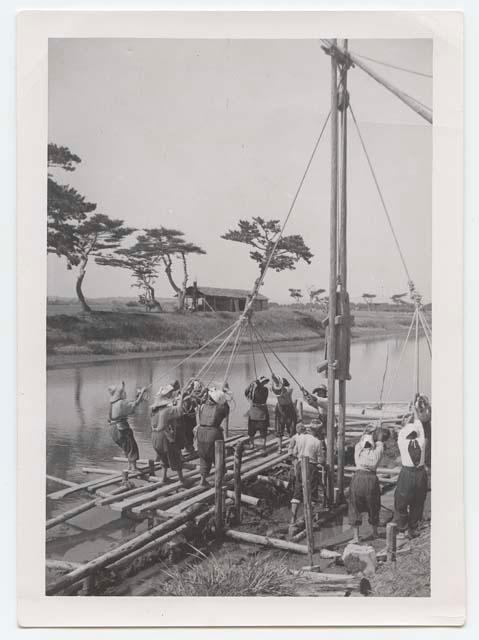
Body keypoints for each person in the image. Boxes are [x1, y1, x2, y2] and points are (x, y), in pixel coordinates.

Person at [348, 425, 387, 543]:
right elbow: (380, 442)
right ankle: (374, 532)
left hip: (358, 478)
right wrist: (378, 434)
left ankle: (356, 537)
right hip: (371, 479)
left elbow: (361, 441)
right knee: (374, 505)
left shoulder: (358, 449)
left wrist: (367, 431)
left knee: (354, 506)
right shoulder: (377, 452)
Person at [394, 409, 428, 540]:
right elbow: (420, 426)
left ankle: (402, 529)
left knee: (401, 501)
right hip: (420, 473)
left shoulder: (402, 441)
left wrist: (407, 419)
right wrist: (415, 412)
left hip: (407, 473)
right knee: (418, 502)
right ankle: (412, 528)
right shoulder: (422, 442)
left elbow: (403, 430)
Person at [150, 383, 189, 487]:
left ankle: (164, 477)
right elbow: (180, 411)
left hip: (154, 437)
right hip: (164, 437)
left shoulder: (153, 410)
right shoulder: (167, 410)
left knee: (163, 456)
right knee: (174, 456)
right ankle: (181, 479)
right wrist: (182, 398)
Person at [289, 424, 327, 525]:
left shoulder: (300, 438)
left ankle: (292, 520)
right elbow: (320, 459)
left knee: (297, 490)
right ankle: (308, 518)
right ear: (317, 431)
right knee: (312, 492)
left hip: (300, 464)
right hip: (311, 466)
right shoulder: (317, 442)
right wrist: (324, 463)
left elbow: (294, 453)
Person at [108, 382, 147, 471]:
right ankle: (133, 467)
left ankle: (130, 466)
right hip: (120, 428)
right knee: (131, 445)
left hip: (112, 429)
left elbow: (129, 405)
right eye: (123, 392)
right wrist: (142, 394)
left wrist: (139, 396)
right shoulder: (121, 403)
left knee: (126, 446)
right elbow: (134, 405)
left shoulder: (112, 404)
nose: (125, 393)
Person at [196, 387, 231, 487]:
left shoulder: (203, 406)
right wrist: (224, 397)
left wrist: (221, 395)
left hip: (201, 432)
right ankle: (219, 480)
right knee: (218, 456)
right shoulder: (220, 408)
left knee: (204, 456)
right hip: (213, 434)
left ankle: (203, 480)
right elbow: (227, 409)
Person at [245, 376, 270, 453]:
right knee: (251, 432)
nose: (264, 383)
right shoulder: (253, 389)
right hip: (253, 414)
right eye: (262, 381)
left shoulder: (265, 390)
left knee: (263, 432)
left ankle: (263, 446)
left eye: (264, 381)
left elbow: (260, 397)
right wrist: (251, 385)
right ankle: (252, 444)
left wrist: (255, 385)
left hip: (262, 414)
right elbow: (246, 393)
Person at [414, 393, 432, 469]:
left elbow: (427, 417)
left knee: (426, 446)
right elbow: (425, 417)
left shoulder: (425, 408)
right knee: (423, 445)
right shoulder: (420, 408)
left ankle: (425, 462)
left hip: (424, 426)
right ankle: (423, 462)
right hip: (422, 426)